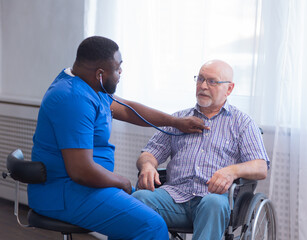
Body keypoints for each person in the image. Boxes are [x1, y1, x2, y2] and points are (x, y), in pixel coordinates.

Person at [27, 36, 208, 240]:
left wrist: (176, 122)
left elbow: (129, 111)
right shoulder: (73, 99)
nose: (121, 73)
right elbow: (81, 171)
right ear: (100, 74)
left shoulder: (91, 86)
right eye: (118, 68)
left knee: (143, 208)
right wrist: (121, 182)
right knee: (152, 225)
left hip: (84, 186)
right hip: (64, 192)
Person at [133, 59, 270, 240]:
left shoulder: (242, 123)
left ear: (229, 89)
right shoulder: (179, 119)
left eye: (212, 81)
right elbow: (149, 153)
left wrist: (232, 171)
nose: (203, 86)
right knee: (138, 199)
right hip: (174, 197)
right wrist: (148, 166)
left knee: (213, 203)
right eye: (200, 79)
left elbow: (261, 167)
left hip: (214, 199)